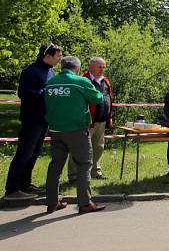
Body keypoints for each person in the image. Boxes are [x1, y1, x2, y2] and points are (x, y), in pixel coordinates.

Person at [43, 56, 105, 214]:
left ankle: (52, 202)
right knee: (84, 165)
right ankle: (84, 203)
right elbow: (97, 98)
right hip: (76, 130)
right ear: (77, 68)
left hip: (55, 130)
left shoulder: (51, 83)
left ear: (61, 67)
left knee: (55, 166)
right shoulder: (80, 81)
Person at [3, 43, 62, 202]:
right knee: (24, 153)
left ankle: (25, 184)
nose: (60, 58)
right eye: (57, 55)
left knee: (35, 152)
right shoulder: (30, 71)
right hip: (31, 119)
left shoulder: (50, 70)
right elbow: (24, 93)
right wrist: (46, 92)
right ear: (47, 56)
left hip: (44, 119)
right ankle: (12, 189)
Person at [67, 57, 113, 182]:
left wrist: (109, 117)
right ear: (91, 66)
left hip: (101, 121)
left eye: (104, 67)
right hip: (86, 121)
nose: (102, 69)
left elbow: (109, 99)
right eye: (100, 67)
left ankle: (94, 171)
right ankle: (74, 175)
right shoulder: (82, 80)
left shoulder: (105, 81)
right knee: (79, 148)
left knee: (98, 147)